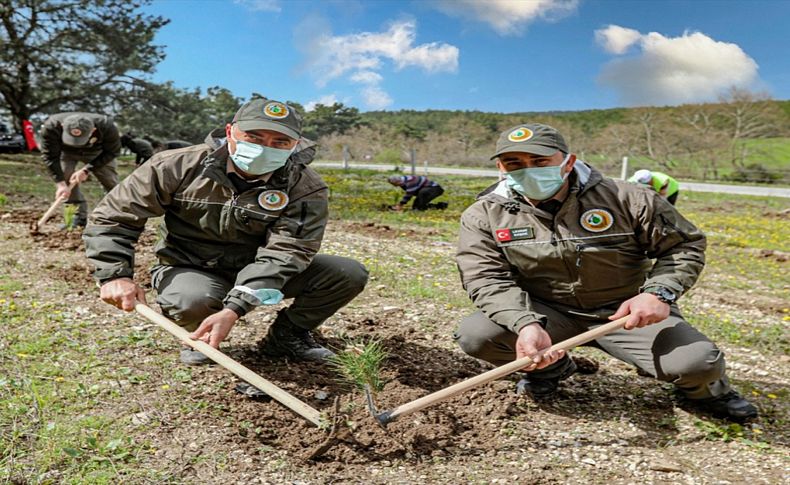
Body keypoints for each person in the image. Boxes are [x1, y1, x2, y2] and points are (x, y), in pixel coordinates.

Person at [453, 123, 757, 421]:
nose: (528, 170)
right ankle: (551, 369)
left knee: (697, 363)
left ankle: (707, 393)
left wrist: (657, 292)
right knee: (478, 335)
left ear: (569, 161)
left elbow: (683, 247)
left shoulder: (629, 197)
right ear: (501, 169)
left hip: (625, 313)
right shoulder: (485, 214)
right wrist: (525, 323)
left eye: (540, 161)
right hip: (547, 312)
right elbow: (485, 276)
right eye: (514, 163)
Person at [83, 98, 369, 365]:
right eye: (254, 137)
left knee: (346, 274)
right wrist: (115, 274)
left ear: (295, 145)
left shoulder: (305, 186)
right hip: (190, 266)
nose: (264, 148)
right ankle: (198, 335)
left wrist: (236, 307)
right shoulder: (175, 166)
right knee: (191, 300)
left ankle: (286, 336)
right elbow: (114, 217)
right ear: (231, 131)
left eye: (280, 142)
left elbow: (288, 251)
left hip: (258, 267)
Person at [40, 112, 121, 229]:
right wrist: (60, 183)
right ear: (62, 126)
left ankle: (117, 216)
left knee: (110, 181)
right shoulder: (51, 127)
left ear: (93, 130)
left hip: (97, 152)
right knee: (65, 176)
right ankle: (78, 217)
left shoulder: (106, 126)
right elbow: (49, 156)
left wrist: (87, 170)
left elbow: (112, 152)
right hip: (66, 152)